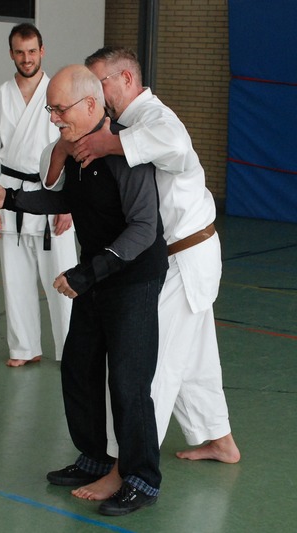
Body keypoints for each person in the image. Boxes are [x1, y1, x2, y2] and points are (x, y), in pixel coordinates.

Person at [0, 64, 168, 517]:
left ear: (89, 105)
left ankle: (142, 477)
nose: (53, 118)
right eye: (50, 109)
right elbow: (69, 199)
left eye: (59, 109)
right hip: (98, 277)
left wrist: (88, 273)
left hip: (134, 278)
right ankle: (93, 458)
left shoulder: (125, 151)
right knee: (78, 368)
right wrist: (12, 198)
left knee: (128, 382)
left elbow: (144, 228)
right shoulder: (77, 149)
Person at [59, 46, 240, 501]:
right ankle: (220, 439)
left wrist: (111, 144)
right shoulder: (121, 123)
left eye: (100, 82)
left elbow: (176, 147)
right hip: (183, 253)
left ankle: (124, 468)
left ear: (125, 78)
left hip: (184, 255)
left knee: (147, 367)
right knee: (195, 359)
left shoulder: (155, 118)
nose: (96, 92)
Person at [0, 23, 77, 367]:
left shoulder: (59, 94)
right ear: (11, 53)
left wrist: (70, 204)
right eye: (19, 52)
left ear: (42, 51)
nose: (26, 58)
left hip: (53, 195)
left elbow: (73, 145)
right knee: (16, 280)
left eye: (31, 51)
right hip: (9, 195)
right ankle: (24, 348)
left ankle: (72, 350)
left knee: (64, 278)